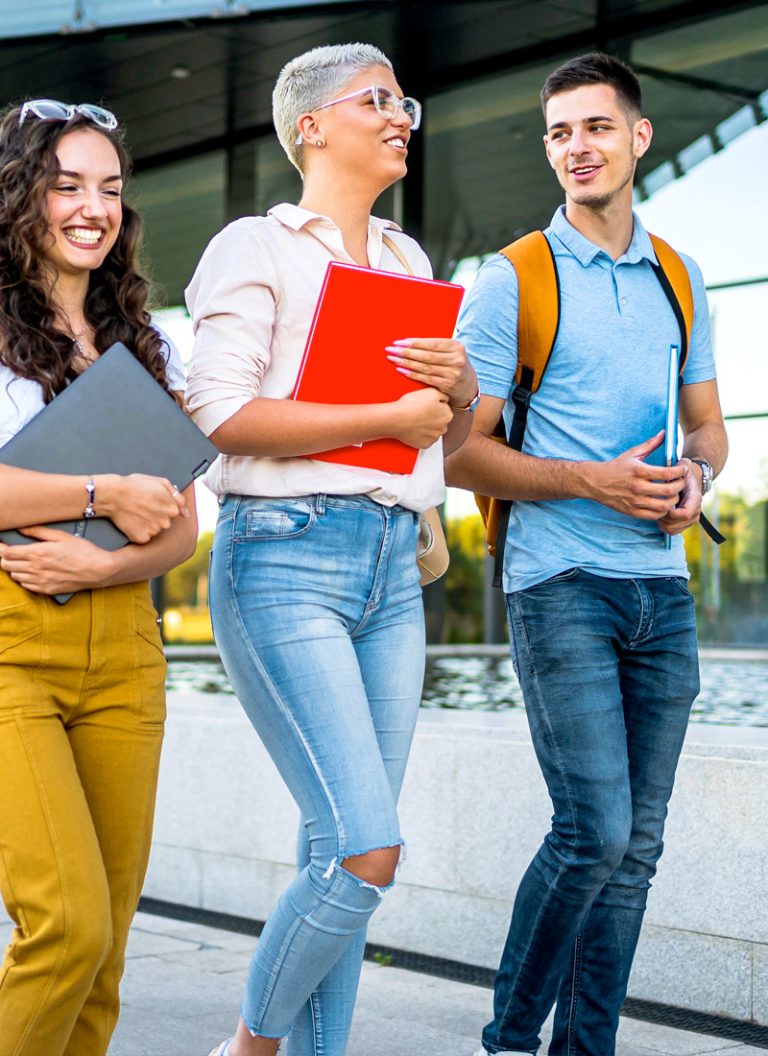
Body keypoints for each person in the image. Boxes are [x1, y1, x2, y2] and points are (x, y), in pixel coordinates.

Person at [185, 42, 477, 1056]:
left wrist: (458, 393)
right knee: (365, 849)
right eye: (378, 99)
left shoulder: (409, 262)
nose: (402, 115)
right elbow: (217, 413)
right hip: (285, 557)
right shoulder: (253, 246)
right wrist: (389, 406)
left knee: (336, 850)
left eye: (407, 101)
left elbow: (438, 429)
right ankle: (249, 1047)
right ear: (311, 125)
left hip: (394, 566)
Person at [445, 53, 728, 1056]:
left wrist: (697, 480)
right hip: (560, 583)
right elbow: (459, 451)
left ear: (638, 138)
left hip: (663, 589)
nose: (577, 147)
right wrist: (594, 480)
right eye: (560, 131)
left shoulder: (681, 278)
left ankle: (586, 1050)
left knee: (637, 851)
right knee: (594, 833)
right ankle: (513, 1039)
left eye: (597, 127)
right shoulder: (511, 277)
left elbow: (709, 430)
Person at [0, 100, 198, 1056]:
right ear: (19, 194)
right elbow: (130, 492)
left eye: (110, 189)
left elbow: (181, 528)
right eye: (66, 185)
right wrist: (102, 486)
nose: (93, 207)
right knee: (66, 926)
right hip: (10, 648)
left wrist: (107, 556)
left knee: (107, 947)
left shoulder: (141, 339)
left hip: (125, 648)